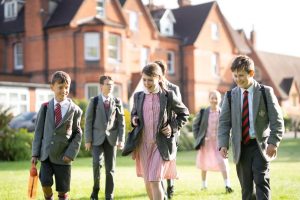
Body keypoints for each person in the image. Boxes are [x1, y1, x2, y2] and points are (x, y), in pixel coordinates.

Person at [218, 55, 284, 200]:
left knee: (261, 181)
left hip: (261, 146)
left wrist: (273, 142)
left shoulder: (265, 92)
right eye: (235, 76)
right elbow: (223, 123)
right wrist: (223, 144)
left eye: (241, 75)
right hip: (241, 147)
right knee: (246, 188)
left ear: (251, 73)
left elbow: (277, 120)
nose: (237, 79)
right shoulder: (230, 96)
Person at [131, 63, 189, 200]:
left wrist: (172, 127)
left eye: (150, 80)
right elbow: (134, 113)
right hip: (143, 144)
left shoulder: (168, 95)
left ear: (159, 78)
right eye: (144, 79)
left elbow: (184, 113)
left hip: (161, 144)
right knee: (147, 181)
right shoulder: (138, 96)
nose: (146, 83)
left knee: (155, 180)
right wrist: (134, 119)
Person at [31, 71, 83, 200]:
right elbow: (38, 132)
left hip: (63, 156)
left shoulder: (75, 110)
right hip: (46, 155)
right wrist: (35, 154)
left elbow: (78, 133)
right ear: (52, 87)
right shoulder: (45, 107)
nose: (64, 90)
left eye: (67, 87)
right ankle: (49, 197)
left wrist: (70, 154)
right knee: (45, 182)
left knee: (62, 188)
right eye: (60, 87)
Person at [85, 75, 125, 200]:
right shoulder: (94, 101)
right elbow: (88, 121)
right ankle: (95, 190)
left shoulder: (117, 101)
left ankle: (109, 196)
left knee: (110, 169)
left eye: (112, 84)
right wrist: (88, 139)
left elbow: (121, 122)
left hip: (112, 139)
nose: (110, 86)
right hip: (97, 139)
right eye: (108, 84)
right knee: (96, 164)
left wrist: (121, 139)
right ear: (101, 86)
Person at [192, 90, 233, 193]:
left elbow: (228, 127)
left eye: (216, 98)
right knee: (204, 164)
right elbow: (195, 126)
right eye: (212, 98)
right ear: (209, 99)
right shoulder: (203, 112)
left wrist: (227, 140)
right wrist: (199, 138)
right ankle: (204, 185)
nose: (214, 100)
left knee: (223, 162)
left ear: (220, 100)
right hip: (206, 143)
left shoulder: (223, 112)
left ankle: (227, 185)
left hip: (219, 143)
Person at [154, 60, 182, 199]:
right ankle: (163, 192)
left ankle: (170, 185)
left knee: (170, 159)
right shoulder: (150, 89)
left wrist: (172, 127)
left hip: (171, 131)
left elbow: (179, 110)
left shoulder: (174, 89)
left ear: (162, 73)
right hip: (156, 134)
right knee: (159, 162)